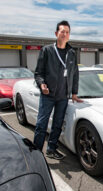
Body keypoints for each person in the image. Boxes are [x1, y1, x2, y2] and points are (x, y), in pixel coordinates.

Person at [34, 20, 83, 160]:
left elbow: (75, 74)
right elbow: (38, 73)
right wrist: (42, 84)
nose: (65, 34)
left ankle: (51, 149)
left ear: (69, 35)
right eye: (62, 31)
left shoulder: (72, 53)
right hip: (48, 95)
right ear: (56, 33)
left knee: (57, 124)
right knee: (41, 124)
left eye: (67, 32)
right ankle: (37, 153)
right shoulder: (47, 50)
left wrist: (74, 93)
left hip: (63, 97)